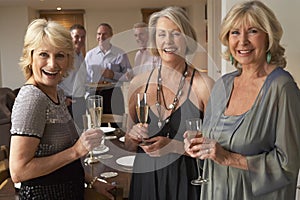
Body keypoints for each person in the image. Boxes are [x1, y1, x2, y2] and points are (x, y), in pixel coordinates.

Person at [184, 1, 300, 200]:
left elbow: (287, 164)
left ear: (268, 37)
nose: (242, 41)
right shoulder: (222, 86)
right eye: (234, 33)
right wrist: (197, 144)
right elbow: (219, 140)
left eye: (253, 31)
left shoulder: (282, 87)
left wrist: (229, 158)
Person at [9, 19, 115, 200]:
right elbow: (19, 171)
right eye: (44, 54)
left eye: (60, 55)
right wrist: (76, 151)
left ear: (68, 60)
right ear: (30, 56)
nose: (52, 64)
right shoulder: (32, 98)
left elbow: (63, 162)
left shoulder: (56, 91)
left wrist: (92, 181)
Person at [125, 7, 214, 200]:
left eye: (176, 34)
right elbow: (128, 145)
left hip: (186, 182)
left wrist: (174, 147)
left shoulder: (204, 86)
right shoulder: (138, 84)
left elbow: (216, 147)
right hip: (145, 182)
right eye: (162, 34)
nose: (168, 41)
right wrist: (132, 137)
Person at [85, 23, 131, 121]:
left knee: (118, 123)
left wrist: (113, 75)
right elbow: (86, 79)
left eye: (104, 34)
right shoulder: (89, 56)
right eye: (99, 34)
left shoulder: (120, 54)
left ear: (111, 36)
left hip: (114, 93)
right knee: (98, 126)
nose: (101, 37)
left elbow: (129, 76)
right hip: (95, 94)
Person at [59, 24, 86, 130]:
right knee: (70, 134)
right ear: (70, 38)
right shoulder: (65, 56)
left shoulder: (81, 55)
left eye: (83, 37)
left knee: (81, 131)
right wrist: (62, 98)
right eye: (76, 36)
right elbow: (55, 79)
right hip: (68, 102)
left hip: (80, 101)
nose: (80, 40)